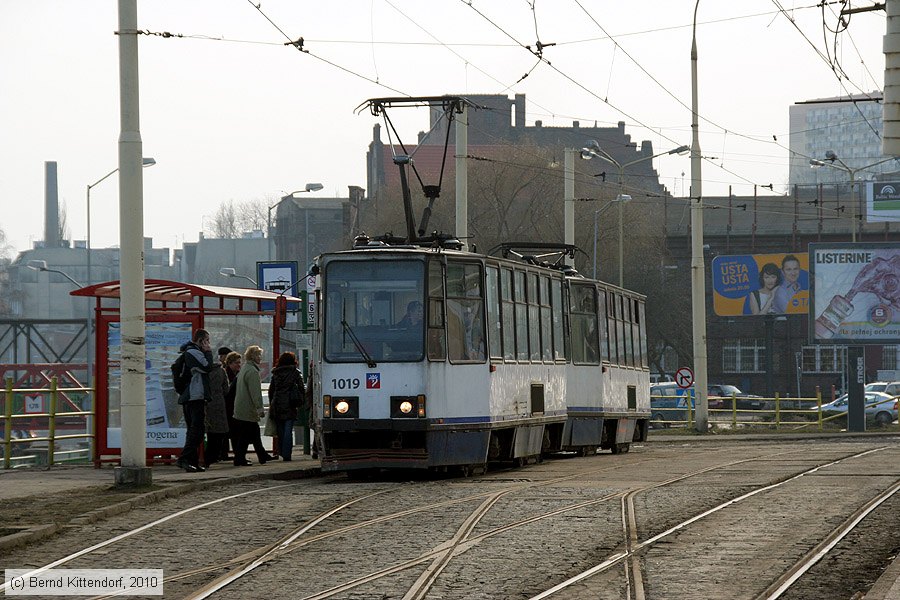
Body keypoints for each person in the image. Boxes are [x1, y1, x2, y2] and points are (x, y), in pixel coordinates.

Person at [176, 329, 213, 473]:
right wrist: (208, 351)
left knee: (193, 430)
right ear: (201, 340)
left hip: (191, 396)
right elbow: (207, 367)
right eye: (207, 340)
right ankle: (184, 458)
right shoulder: (193, 352)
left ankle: (191, 461)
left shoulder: (190, 351)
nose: (208, 344)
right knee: (197, 430)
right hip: (194, 396)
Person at [232, 345, 275, 466]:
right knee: (245, 436)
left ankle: (262, 455)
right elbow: (255, 392)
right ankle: (240, 458)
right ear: (253, 356)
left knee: (254, 433)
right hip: (248, 409)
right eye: (258, 355)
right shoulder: (253, 372)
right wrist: (259, 409)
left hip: (241, 407)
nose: (260, 358)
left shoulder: (245, 368)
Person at [268, 352, 304, 461]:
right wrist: (300, 401)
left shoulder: (276, 373)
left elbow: (271, 390)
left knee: (280, 430)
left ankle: (282, 452)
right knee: (288, 430)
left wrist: (272, 403)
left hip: (277, 403)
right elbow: (301, 388)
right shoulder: (295, 372)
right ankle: (287, 454)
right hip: (290, 403)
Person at [203, 346, 232, 468]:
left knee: (209, 431)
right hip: (219, 403)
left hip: (206, 402)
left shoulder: (205, 371)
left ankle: (207, 456)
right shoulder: (221, 371)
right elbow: (226, 389)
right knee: (220, 431)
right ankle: (215, 455)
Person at [221, 351, 242, 461]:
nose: (239, 365)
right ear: (229, 363)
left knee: (232, 431)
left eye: (239, 362)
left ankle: (231, 453)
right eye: (236, 363)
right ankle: (229, 453)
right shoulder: (227, 374)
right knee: (230, 431)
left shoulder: (236, 374)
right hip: (228, 406)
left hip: (231, 406)